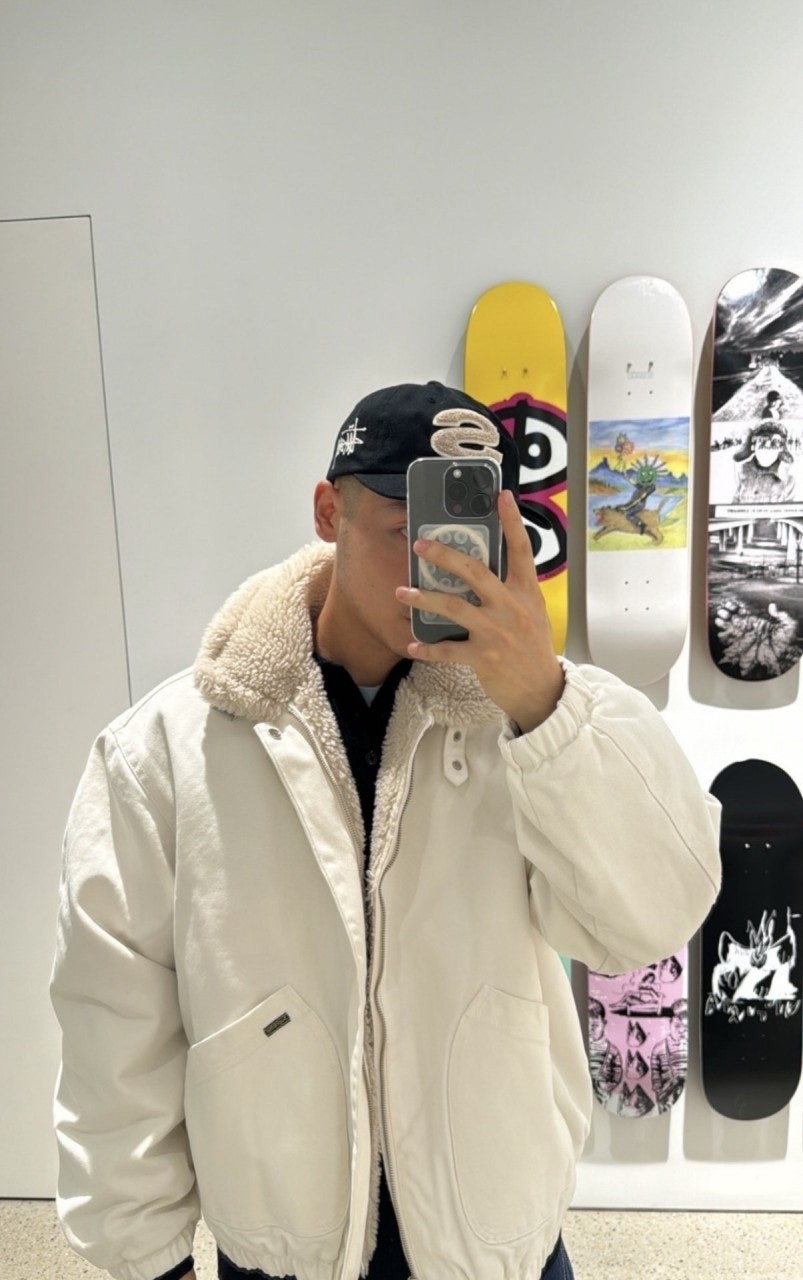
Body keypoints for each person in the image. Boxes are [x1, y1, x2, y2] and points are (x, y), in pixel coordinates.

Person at [51, 381, 721, 1280]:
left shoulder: (538, 722)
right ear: (329, 512)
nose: (437, 563)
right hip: (281, 1242)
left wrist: (543, 706)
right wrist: (145, 1257)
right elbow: (115, 1022)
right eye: (409, 528)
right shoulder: (167, 749)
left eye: (468, 533)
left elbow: (648, 920)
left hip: (494, 1239)